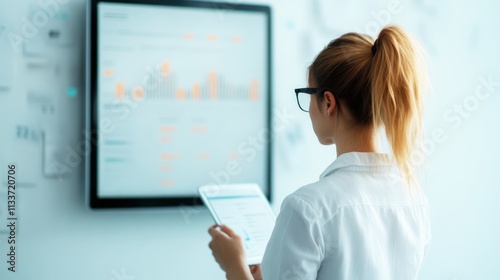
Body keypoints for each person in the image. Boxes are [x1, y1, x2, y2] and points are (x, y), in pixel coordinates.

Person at [207, 25, 431, 280]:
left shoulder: (307, 208)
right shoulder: (413, 199)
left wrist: (234, 266)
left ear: (327, 102)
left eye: (308, 94)